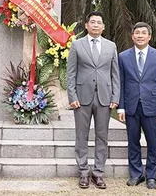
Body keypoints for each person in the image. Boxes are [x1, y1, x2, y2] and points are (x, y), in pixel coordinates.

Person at [67, 11, 120, 189]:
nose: (96, 25)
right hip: (81, 98)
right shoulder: (77, 45)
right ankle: (83, 172)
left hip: (104, 98)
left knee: (102, 137)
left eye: (99, 22)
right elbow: (71, 73)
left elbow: (115, 75)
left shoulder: (111, 46)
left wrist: (115, 97)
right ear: (87, 25)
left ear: (103, 26)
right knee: (81, 136)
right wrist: (72, 96)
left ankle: (98, 173)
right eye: (93, 22)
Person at [117, 22, 156, 190]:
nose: (140, 35)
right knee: (133, 141)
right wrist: (121, 107)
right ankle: (136, 174)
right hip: (131, 106)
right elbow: (121, 83)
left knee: (153, 142)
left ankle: (152, 176)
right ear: (132, 36)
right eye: (137, 33)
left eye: (143, 33)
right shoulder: (123, 56)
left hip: (152, 106)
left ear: (149, 37)